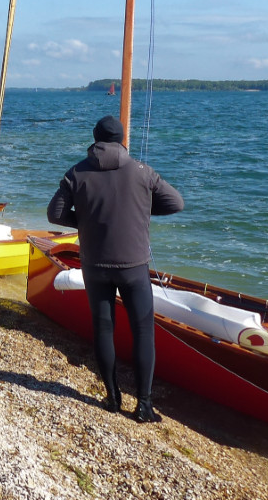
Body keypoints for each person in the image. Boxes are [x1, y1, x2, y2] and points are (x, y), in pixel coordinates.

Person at [47, 115, 184, 423]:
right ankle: (144, 405)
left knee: (104, 330)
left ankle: (112, 398)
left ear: (95, 139)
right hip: (133, 267)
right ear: (123, 139)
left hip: (95, 266)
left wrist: (86, 220)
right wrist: (140, 210)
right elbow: (176, 203)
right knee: (142, 332)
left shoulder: (76, 173)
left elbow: (54, 214)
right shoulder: (141, 171)